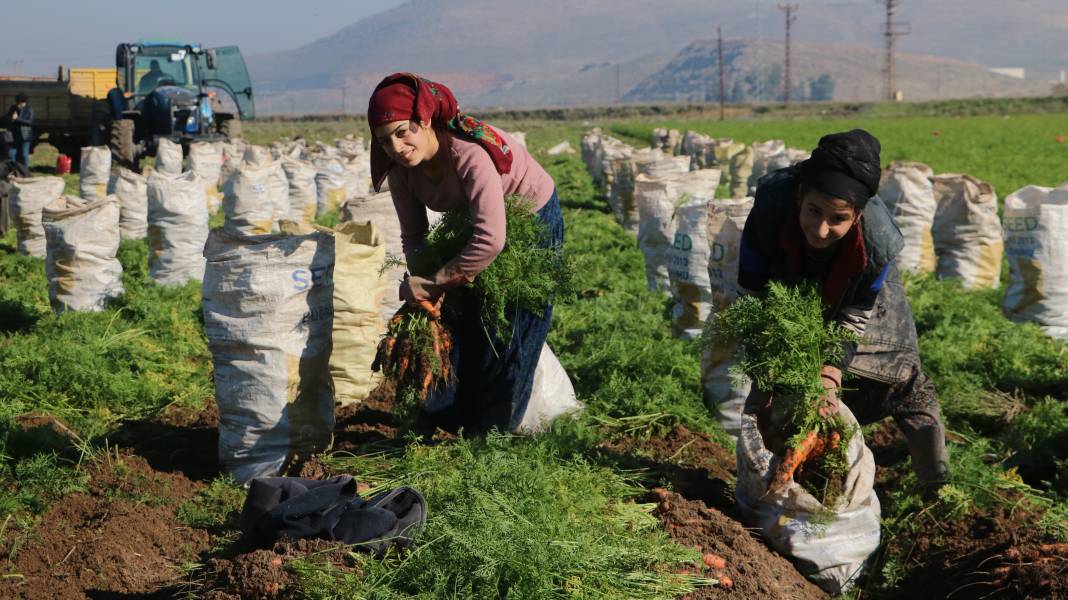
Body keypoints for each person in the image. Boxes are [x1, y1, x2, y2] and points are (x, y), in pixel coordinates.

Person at [736, 129, 949, 492]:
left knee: (906, 382)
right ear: (800, 195)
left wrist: (830, 375)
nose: (820, 229)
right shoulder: (771, 211)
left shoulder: (877, 244)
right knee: (776, 389)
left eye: (837, 219)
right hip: (786, 284)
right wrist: (765, 357)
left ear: (858, 216)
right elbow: (752, 291)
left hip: (854, 286)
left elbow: (853, 316)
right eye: (813, 211)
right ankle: (770, 489)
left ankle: (936, 488)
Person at [366, 72, 562, 433]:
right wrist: (425, 290)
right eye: (385, 141)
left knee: (513, 322)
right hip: (478, 220)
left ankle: (496, 432)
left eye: (403, 131)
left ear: (425, 121)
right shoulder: (401, 173)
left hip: (529, 215)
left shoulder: (468, 153)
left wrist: (437, 282)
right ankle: (453, 419)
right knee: (462, 317)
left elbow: (490, 240)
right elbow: (414, 237)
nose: (396, 147)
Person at [3, 94, 34, 169]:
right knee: (11, 154)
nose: (17, 104)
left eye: (19, 103)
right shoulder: (13, 108)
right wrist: (11, 118)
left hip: (25, 136)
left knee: (24, 154)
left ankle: (25, 171)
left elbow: (30, 122)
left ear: (24, 103)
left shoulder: (29, 110)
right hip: (14, 135)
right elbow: (6, 117)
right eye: (17, 103)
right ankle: (13, 170)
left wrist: (17, 119)